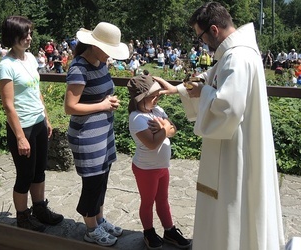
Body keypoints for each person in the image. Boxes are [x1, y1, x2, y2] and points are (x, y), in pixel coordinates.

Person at [155, 2, 285, 249]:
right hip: (239, 140)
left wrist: (204, 93)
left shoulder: (236, 57)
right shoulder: (239, 51)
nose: (202, 43)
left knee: (232, 199)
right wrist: (179, 89)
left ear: (213, 29)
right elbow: (211, 77)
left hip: (235, 149)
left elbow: (227, 107)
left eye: (201, 36)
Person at [0, 16, 63, 232]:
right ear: (12, 36)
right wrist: (20, 136)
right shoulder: (5, 66)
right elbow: (8, 106)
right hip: (21, 127)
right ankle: (23, 217)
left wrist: (46, 117)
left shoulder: (31, 58)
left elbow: (36, 92)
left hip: (38, 122)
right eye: (24, 35)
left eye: (30, 34)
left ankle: (40, 208)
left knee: (39, 170)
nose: (29, 38)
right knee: (25, 174)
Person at [64, 22, 129, 247]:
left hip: (103, 132)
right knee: (92, 183)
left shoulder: (100, 63)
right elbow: (70, 107)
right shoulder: (79, 68)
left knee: (102, 180)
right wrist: (102, 105)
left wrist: (108, 102)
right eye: (108, 50)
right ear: (94, 45)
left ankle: (99, 220)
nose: (111, 55)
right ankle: (90, 228)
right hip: (87, 136)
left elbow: (97, 96)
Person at [127, 75, 191, 250]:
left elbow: (174, 129)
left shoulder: (157, 110)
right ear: (140, 98)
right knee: (147, 202)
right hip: (146, 169)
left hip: (162, 167)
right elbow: (153, 143)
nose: (157, 99)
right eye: (153, 96)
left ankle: (169, 230)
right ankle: (148, 232)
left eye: (158, 95)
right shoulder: (137, 118)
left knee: (163, 200)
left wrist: (164, 130)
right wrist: (164, 128)